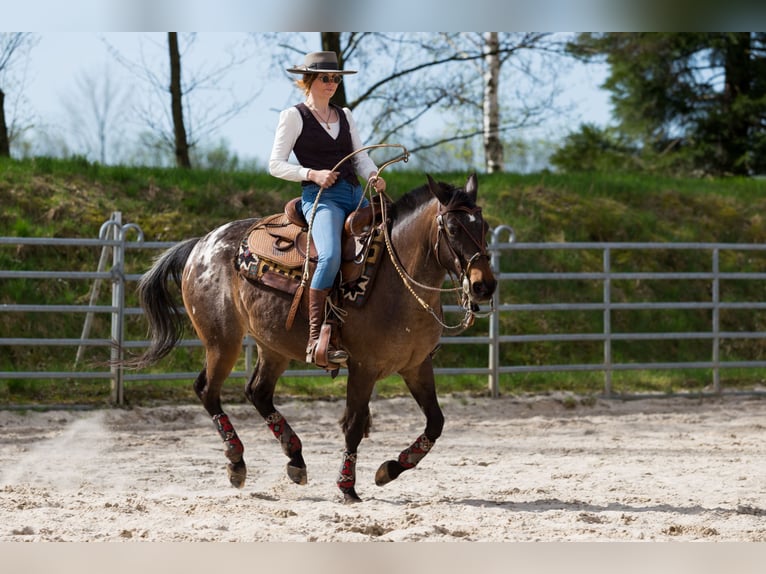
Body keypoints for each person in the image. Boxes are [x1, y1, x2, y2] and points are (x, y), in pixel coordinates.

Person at [269, 51, 386, 368]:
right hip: (321, 199)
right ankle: (313, 338)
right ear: (308, 80)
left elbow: (359, 157)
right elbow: (275, 165)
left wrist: (373, 175)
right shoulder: (293, 116)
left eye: (336, 78)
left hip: (354, 194)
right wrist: (311, 174)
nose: (332, 83)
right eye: (325, 78)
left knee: (391, 241)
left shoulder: (344, 114)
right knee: (331, 255)